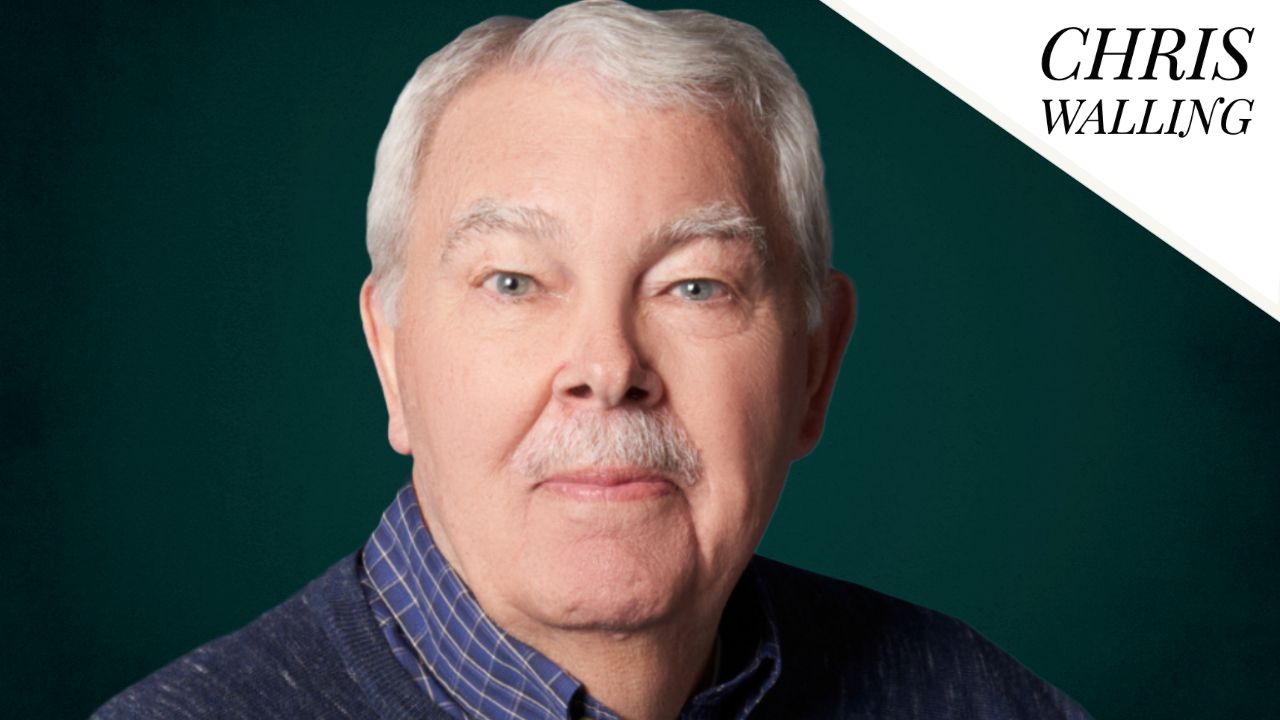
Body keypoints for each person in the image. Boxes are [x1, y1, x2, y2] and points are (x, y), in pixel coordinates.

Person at [94, 2, 1090, 718]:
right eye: (514, 282)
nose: (608, 367)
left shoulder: (976, 701)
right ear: (392, 358)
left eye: (694, 286)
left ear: (815, 368)